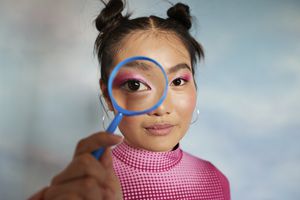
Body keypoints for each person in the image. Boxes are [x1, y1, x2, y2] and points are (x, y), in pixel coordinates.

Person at [29, 0, 230, 199]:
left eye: (178, 81)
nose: (161, 108)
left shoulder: (216, 180)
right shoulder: (89, 184)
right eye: (135, 85)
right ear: (108, 95)